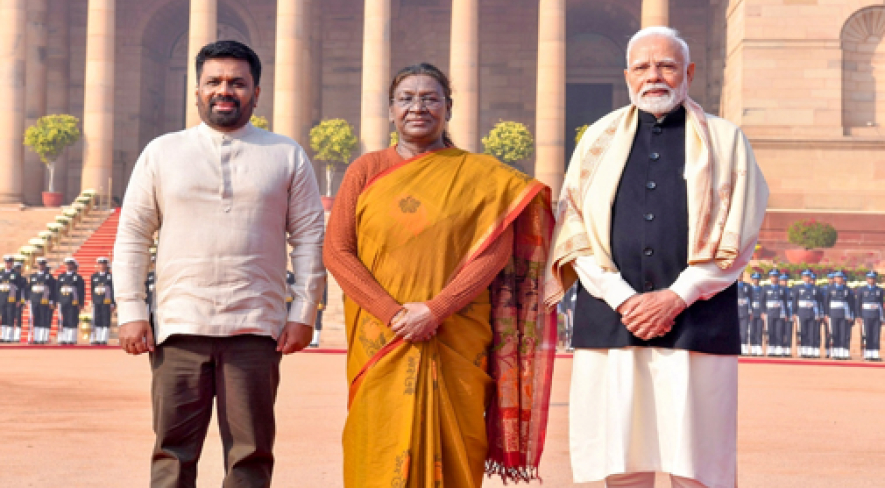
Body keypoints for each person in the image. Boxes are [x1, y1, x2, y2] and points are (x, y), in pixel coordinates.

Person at [549, 27, 768, 488]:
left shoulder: (726, 143)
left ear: (687, 72)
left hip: (697, 321)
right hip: (612, 319)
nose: (655, 77)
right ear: (627, 75)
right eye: (644, 67)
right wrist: (624, 298)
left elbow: (739, 232)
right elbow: (574, 230)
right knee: (623, 462)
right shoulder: (596, 142)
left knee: (698, 467)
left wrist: (677, 296)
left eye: (667, 66)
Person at [324, 62, 560, 487]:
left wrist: (436, 310)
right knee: (374, 444)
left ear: (448, 108)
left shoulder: (482, 176)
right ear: (390, 111)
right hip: (382, 336)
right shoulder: (366, 169)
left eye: (431, 98)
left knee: (456, 448)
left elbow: (495, 252)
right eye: (407, 99)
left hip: (454, 336)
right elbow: (337, 251)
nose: (419, 107)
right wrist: (393, 313)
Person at [113, 40, 326, 487]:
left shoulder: (286, 154)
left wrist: (304, 313)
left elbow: (309, 238)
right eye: (214, 81)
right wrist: (132, 312)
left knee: (250, 455)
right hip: (179, 326)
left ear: (256, 92)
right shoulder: (161, 152)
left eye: (237, 83)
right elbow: (133, 235)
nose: (224, 90)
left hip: (255, 326)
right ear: (196, 90)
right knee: (172, 452)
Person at [793, 270, 824, 358]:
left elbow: (819, 302)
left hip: (812, 312)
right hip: (802, 312)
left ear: (811, 278)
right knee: (803, 331)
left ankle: (811, 350)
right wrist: (794, 313)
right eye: (805, 276)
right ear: (802, 278)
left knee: (812, 332)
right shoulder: (798, 288)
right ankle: (803, 350)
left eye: (808, 276)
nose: (807, 278)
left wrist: (820, 313)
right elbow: (795, 301)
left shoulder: (816, 289)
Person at [825, 271, 855, 360]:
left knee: (844, 334)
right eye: (837, 277)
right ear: (834, 279)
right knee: (834, 333)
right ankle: (835, 353)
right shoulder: (830, 289)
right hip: (833, 314)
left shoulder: (847, 289)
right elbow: (826, 302)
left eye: (841, 277)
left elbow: (851, 303)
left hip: (844, 314)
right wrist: (826, 314)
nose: (839, 279)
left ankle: (844, 353)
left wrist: (851, 315)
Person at [56, 257, 85, 345]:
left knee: (72, 319)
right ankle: (64, 338)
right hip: (63, 301)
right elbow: (57, 289)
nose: (68, 266)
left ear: (74, 265)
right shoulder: (61, 277)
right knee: (64, 320)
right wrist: (57, 301)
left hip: (73, 302)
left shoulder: (77, 278)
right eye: (67, 264)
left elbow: (81, 291)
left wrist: (81, 303)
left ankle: (72, 338)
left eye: (70, 264)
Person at [856, 271, 883, 361]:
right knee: (866, 334)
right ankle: (867, 353)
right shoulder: (862, 290)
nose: (871, 280)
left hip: (876, 315)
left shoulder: (879, 290)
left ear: (875, 279)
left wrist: (883, 317)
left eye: (873, 278)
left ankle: (875, 353)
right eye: (869, 278)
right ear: (867, 279)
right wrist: (858, 316)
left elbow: (881, 304)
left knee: (876, 334)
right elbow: (858, 304)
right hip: (866, 315)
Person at [28, 257, 56, 344]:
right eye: (39, 264)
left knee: (44, 318)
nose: (41, 266)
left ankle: (43, 338)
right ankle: (36, 338)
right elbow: (29, 288)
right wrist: (29, 298)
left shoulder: (49, 277)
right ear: (37, 265)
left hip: (44, 300)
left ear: (45, 265)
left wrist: (52, 301)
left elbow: (52, 289)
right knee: (36, 318)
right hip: (35, 300)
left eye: (42, 264)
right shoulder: (33, 276)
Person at [762, 270, 788, 357]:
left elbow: (785, 302)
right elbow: (762, 301)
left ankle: (779, 349)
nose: (774, 278)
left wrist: (786, 314)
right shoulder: (765, 288)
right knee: (771, 331)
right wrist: (763, 312)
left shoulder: (782, 289)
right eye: (773, 276)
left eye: (776, 276)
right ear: (770, 278)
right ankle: (771, 349)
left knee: (779, 331)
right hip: (770, 313)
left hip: (780, 313)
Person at [90, 257, 115, 345]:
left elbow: (113, 290)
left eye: (103, 264)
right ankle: (98, 338)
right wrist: (92, 300)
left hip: (106, 301)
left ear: (106, 265)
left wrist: (113, 303)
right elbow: (92, 289)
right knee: (98, 319)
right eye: (100, 264)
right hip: (97, 300)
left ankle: (104, 339)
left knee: (106, 319)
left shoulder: (110, 276)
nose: (102, 266)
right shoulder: (94, 276)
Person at [0, 255, 20, 343]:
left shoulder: (15, 274)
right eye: (7, 262)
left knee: (10, 316)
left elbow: (18, 288)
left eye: (10, 262)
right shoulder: (1, 274)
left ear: (12, 263)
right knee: (3, 316)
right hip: (2, 297)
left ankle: (9, 336)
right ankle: (3, 336)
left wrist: (18, 299)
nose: (8, 264)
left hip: (11, 298)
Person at [748, 272, 765, 356]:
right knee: (752, 331)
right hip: (752, 312)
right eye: (754, 279)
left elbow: (764, 302)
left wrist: (763, 312)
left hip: (760, 312)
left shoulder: (762, 289)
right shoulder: (749, 289)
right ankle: (753, 347)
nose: (756, 280)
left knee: (759, 331)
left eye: (757, 279)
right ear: (752, 280)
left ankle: (759, 347)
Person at [12, 258, 28, 343]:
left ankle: (17, 336)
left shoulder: (23, 279)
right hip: (9, 300)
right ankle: (9, 336)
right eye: (16, 268)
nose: (17, 270)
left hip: (19, 301)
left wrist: (24, 301)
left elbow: (24, 291)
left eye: (19, 268)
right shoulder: (11, 277)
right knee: (9, 318)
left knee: (18, 318)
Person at [737, 273, 752, 355]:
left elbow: (751, 298)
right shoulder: (732, 286)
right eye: (738, 275)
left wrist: (751, 311)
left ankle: (744, 348)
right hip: (735, 312)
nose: (739, 276)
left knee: (744, 331)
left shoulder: (747, 286)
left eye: (741, 275)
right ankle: (736, 347)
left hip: (745, 311)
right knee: (736, 331)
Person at [780, 273, 795, 356]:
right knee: (780, 332)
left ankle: (788, 350)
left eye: (785, 280)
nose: (784, 282)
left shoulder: (791, 290)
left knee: (789, 332)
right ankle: (781, 350)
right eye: (782, 280)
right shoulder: (778, 290)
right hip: (780, 314)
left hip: (789, 314)